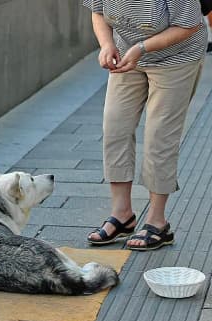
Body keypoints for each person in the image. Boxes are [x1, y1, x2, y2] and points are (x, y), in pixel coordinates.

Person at [83, 1, 207, 250]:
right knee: (115, 128)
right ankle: (122, 215)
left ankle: (158, 223)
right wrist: (107, 45)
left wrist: (142, 47)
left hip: (177, 58)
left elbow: (190, 25)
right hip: (127, 54)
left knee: (159, 136)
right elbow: (98, 13)